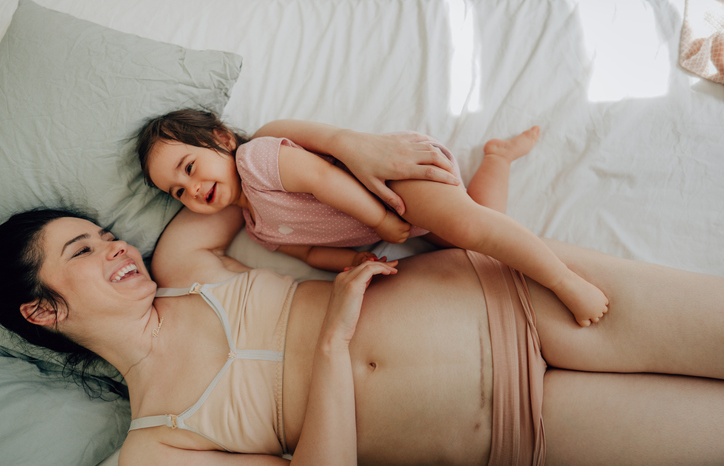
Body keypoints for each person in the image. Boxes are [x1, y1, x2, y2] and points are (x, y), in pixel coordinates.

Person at [2, 132, 724, 466]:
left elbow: (245, 158)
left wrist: (353, 150)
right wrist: (332, 340)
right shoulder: (155, 448)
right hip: (520, 426)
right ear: (43, 310)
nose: (116, 247)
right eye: (82, 252)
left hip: (510, 292)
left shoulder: (182, 261)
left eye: (105, 234)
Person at [137, 110, 607, 326]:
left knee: (472, 228)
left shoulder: (255, 159)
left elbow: (324, 178)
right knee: (472, 238)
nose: (190, 190)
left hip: (393, 182)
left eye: (189, 168)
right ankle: (498, 158)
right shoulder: (258, 228)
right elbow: (307, 251)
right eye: (177, 192)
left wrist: (381, 223)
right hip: (397, 218)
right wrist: (348, 262)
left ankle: (564, 281)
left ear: (222, 139)